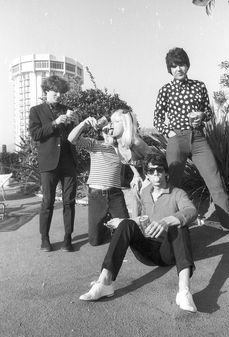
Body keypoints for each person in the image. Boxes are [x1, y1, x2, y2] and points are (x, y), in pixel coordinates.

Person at [79, 153, 198, 313]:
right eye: (151, 170)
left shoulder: (177, 193)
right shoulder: (145, 192)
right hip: (147, 251)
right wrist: (124, 223)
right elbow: (144, 218)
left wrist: (167, 221)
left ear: (166, 172)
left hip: (169, 252)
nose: (155, 174)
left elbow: (191, 210)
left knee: (180, 227)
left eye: (159, 170)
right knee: (126, 223)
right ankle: (105, 282)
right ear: (147, 174)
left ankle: (184, 291)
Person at [153, 47, 229, 232]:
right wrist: (169, 133)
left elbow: (208, 112)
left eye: (181, 64)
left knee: (216, 183)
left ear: (187, 65)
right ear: (170, 69)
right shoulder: (165, 90)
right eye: (173, 66)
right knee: (173, 185)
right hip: (177, 140)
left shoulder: (199, 86)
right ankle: (169, 227)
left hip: (198, 139)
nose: (178, 69)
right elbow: (157, 119)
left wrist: (201, 114)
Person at [29, 75, 78, 252]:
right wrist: (55, 123)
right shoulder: (36, 111)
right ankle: (45, 239)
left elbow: (74, 136)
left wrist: (76, 123)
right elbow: (35, 134)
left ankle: (67, 238)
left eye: (60, 92)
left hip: (68, 162)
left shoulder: (68, 109)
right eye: (54, 91)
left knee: (69, 202)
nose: (58, 94)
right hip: (48, 162)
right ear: (46, 91)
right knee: (47, 202)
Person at [68, 116, 129, 246]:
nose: (107, 133)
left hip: (115, 194)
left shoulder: (122, 148)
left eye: (110, 130)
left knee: (126, 231)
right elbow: (71, 138)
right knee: (94, 241)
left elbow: (129, 159)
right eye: (105, 131)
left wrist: (116, 143)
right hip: (96, 195)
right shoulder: (94, 144)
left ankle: (111, 224)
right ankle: (106, 226)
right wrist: (84, 124)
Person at [109, 108, 155, 217]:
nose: (112, 125)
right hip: (140, 173)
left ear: (125, 124)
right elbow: (129, 161)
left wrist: (148, 178)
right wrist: (136, 175)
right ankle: (137, 226)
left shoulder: (136, 142)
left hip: (152, 173)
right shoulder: (117, 144)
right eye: (112, 122)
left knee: (146, 197)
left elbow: (154, 159)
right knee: (135, 197)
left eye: (116, 122)